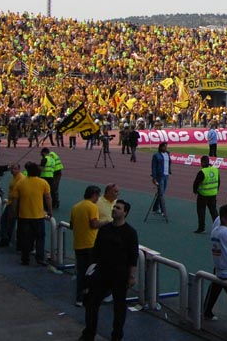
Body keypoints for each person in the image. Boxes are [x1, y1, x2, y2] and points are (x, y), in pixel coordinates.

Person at [80, 199, 139, 341]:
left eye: (118, 208)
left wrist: (131, 276)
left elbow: (133, 256)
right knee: (92, 304)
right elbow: (96, 250)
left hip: (120, 274)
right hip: (102, 272)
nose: (114, 210)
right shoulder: (105, 229)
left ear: (125, 213)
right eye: (114, 207)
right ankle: (89, 333)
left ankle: (116, 336)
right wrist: (91, 269)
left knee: (119, 307)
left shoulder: (130, 233)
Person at [10, 161, 51, 265]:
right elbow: (48, 197)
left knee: (26, 238)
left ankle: (25, 258)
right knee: (40, 237)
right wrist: (50, 210)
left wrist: (14, 212)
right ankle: (40, 258)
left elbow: (15, 199)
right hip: (38, 215)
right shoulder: (43, 182)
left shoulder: (20, 182)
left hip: (24, 215)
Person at [70, 185, 102, 306]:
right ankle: (90, 297)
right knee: (91, 272)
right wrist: (105, 223)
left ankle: (79, 298)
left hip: (78, 244)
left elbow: (71, 225)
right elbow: (94, 224)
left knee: (81, 272)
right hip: (90, 244)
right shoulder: (92, 207)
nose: (98, 198)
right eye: (98, 195)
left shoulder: (76, 207)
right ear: (94, 194)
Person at [192, 155, 220, 234]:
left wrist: (195, 191)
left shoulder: (202, 172)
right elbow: (218, 181)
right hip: (213, 194)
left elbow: (196, 183)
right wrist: (216, 190)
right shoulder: (215, 170)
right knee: (214, 211)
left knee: (201, 211)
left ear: (203, 162)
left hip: (203, 194)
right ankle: (219, 227)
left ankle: (201, 228)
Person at [150, 141, 171, 214]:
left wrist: (169, 171)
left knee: (161, 193)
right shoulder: (156, 155)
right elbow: (153, 167)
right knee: (161, 193)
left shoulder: (167, 154)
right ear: (161, 147)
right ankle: (163, 210)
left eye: (166, 146)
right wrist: (154, 177)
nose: (166, 148)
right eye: (164, 146)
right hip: (160, 176)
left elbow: (169, 163)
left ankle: (155, 208)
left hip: (166, 175)